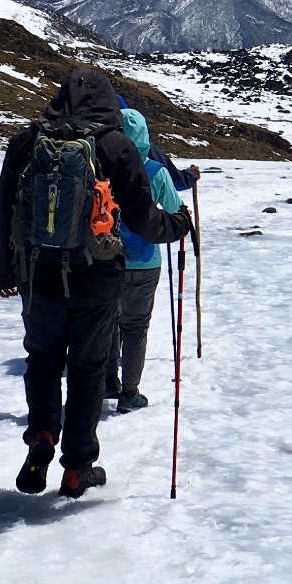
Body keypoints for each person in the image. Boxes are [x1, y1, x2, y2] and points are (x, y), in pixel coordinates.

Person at [0, 67, 192, 498]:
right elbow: (141, 218)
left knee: (42, 360)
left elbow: (3, 208)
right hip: (97, 279)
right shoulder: (115, 145)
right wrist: (177, 224)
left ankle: (42, 436)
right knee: (87, 370)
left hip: (37, 276)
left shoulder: (26, 142)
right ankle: (78, 467)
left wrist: (2, 272)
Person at [101, 105, 199, 414]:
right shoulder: (155, 172)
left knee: (109, 323)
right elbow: (172, 210)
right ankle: (130, 392)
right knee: (136, 326)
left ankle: (107, 381)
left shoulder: (102, 168)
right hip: (144, 261)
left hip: (106, 258)